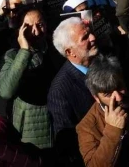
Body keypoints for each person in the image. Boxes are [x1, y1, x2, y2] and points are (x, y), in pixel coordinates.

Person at [0, 8, 58, 152]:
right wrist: (24, 51)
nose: (36, 31)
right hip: (33, 128)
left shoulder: (56, 46)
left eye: (40, 24)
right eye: (29, 27)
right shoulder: (13, 55)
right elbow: (5, 91)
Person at [48, 18, 99, 161]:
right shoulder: (60, 91)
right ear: (70, 52)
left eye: (90, 33)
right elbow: (68, 145)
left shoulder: (104, 62)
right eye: (85, 37)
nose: (93, 38)